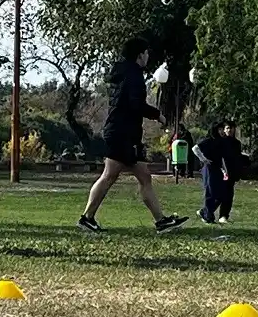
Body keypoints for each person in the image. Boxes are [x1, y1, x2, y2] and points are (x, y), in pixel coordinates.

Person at [78, 38, 190, 234]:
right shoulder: (134, 75)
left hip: (125, 132)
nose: (148, 57)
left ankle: (161, 221)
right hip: (122, 133)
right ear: (140, 55)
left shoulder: (123, 73)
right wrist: (158, 115)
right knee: (109, 175)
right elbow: (135, 104)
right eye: (146, 53)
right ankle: (87, 218)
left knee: (144, 177)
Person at [195, 119, 244, 224]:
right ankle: (208, 215)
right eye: (223, 129)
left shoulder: (230, 143)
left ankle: (209, 213)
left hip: (221, 170)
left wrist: (226, 170)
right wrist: (204, 160)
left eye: (225, 129)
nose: (225, 131)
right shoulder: (212, 140)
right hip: (212, 169)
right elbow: (196, 148)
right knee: (213, 193)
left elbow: (226, 158)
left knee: (223, 194)